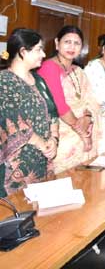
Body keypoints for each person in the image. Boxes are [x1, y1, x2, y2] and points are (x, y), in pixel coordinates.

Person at [0, 29, 58, 196]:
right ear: (23, 52)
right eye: (39, 49)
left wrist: (53, 140)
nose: (44, 54)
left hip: (43, 158)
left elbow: (53, 113)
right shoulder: (4, 82)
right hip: (17, 164)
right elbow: (11, 122)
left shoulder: (39, 80)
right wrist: (41, 143)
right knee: (16, 216)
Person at [38, 25, 100, 173]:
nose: (72, 47)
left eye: (76, 43)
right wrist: (83, 134)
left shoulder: (78, 70)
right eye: (67, 42)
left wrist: (87, 116)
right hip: (62, 136)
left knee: (85, 184)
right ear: (57, 43)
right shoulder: (49, 67)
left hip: (85, 130)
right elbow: (59, 106)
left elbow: (90, 100)